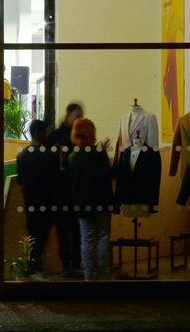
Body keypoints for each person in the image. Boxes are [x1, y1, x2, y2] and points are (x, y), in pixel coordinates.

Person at [68, 117, 115, 281]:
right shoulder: (100, 154)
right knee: (103, 236)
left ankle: (89, 274)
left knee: (87, 238)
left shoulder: (73, 157)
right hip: (102, 201)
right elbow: (108, 176)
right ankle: (103, 272)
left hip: (83, 203)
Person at [15, 119, 58, 279]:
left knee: (32, 233)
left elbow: (20, 181)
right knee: (42, 234)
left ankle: (31, 267)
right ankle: (36, 267)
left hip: (29, 199)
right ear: (40, 133)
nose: (47, 135)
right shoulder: (49, 155)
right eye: (46, 132)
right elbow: (55, 180)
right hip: (46, 200)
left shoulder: (23, 155)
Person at [48, 102, 84, 277]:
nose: (79, 120)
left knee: (78, 230)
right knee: (62, 231)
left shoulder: (82, 134)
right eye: (77, 116)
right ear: (68, 116)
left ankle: (76, 262)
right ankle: (66, 265)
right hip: (60, 190)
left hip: (77, 190)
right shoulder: (57, 135)